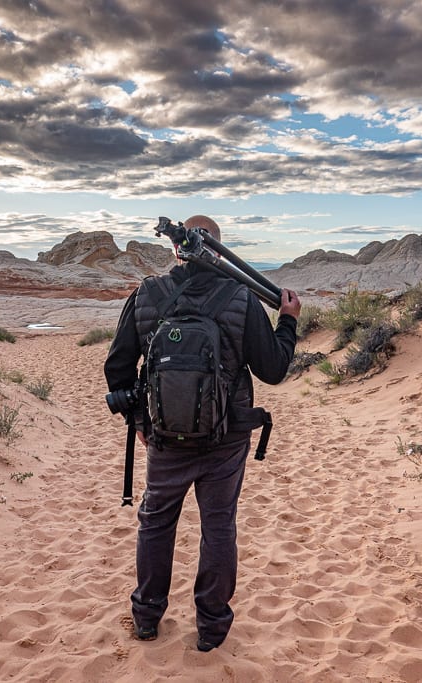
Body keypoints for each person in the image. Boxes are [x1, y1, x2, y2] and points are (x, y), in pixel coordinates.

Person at [104, 214, 300, 652]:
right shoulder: (240, 296)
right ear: (220, 251)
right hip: (226, 441)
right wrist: (287, 321)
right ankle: (211, 630)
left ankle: (146, 617)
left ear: (177, 247)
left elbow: (117, 371)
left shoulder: (147, 295)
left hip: (164, 440)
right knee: (218, 528)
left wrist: (139, 424)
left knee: (155, 524)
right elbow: (273, 370)